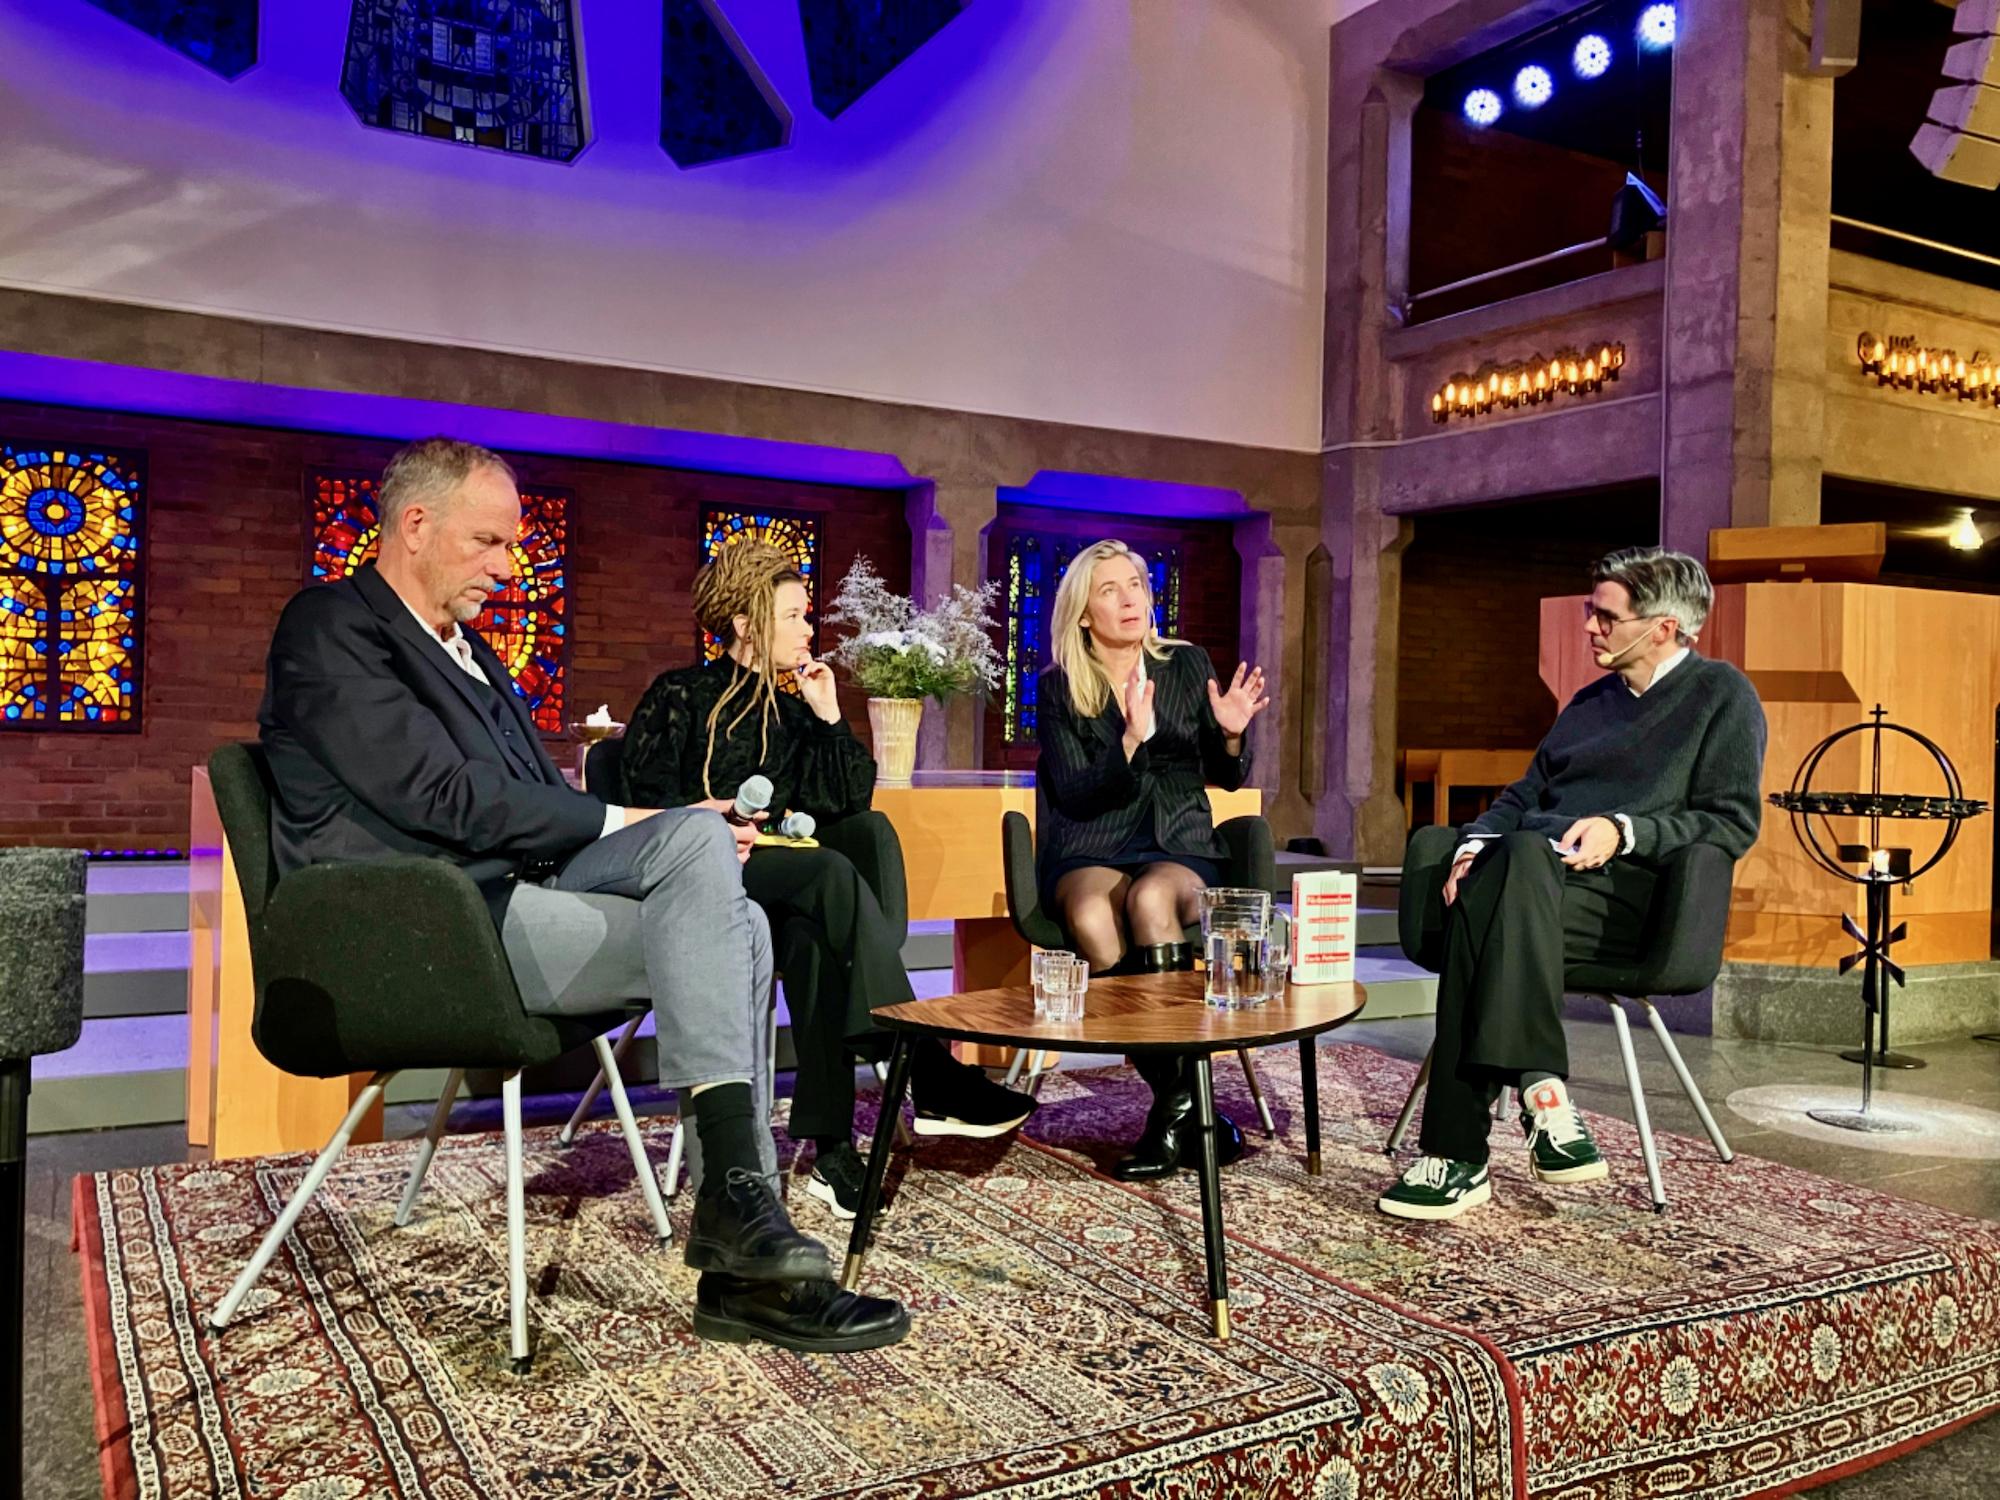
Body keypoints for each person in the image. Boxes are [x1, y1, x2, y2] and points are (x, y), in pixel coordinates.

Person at [258, 437, 908, 1353]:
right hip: (424, 930)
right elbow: (439, 798)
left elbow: (537, 802)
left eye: (510, 545)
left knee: (719, 877)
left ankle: (741, 1224)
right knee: (733, 922)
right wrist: (629, 818)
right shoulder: (332, 627)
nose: (506, 566)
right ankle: (741, 1246)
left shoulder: (468, 650)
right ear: (415, 525)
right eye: (487, 542)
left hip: (515, 896)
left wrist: (669, 825)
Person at [619, 541, 1037, 1217]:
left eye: (805, 615)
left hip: (783, 888)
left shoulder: (794, 712)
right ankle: (926, 1069)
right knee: (830, 871)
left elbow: (847, 804)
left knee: (816, 939)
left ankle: (833, 1151)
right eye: (793, 616)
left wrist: (829, 714)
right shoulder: (679, 695)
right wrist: (710, 822)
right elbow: (642, 811)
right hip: (697, 883)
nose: (808, 629)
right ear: (746, 623)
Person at [1377, 546, 1765, 1222]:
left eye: (1605, 617)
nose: (1589, 626)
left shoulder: (1721, 696)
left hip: (1627, 900)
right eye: (1591, 612)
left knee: (1492, 898)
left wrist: (1626, 830)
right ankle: (1542, 1092)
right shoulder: (1588, 704)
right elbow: (1521, 796)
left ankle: (1455, 1156)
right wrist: (1472, 845)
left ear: (1663, 628)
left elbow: (1730, 822)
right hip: (1531, 879)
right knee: (1514, 860)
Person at [1035, 539, 1270, 1181]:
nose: (1129, 599)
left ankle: (1169, 1116)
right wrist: (1130, 743)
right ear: (1084, 613)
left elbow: (1227, 777)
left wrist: (1231, 733)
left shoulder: (1186, 663)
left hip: (1180, 842)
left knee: (1150, 898)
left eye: (1135, 584)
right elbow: (1075, 791)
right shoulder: (1059, 686)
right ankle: (1185, 1101)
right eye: (1109, 590)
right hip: (1092, 839)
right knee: (1091, 912)